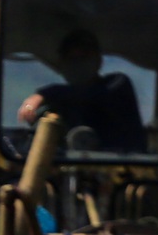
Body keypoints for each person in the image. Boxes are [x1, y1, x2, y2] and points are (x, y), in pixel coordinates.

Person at [15, 28, 146, 153]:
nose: (77, 65)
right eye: (71, 59)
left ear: (98, 61)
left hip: (124, 165)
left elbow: (93, 95)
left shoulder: (117, 84)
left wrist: (43, 95)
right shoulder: (59, 104)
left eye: (84, 57)